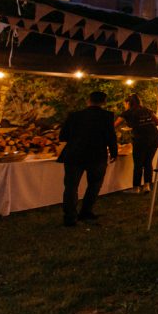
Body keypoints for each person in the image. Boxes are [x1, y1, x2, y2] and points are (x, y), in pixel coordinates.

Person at [58, 91, 118, 226]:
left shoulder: (74, 116)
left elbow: (63, 136)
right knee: (94, 184)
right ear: (104, 102)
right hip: (96, 155)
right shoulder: (107, 116)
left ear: (88, 100)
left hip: (74, 154)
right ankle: (86, 211)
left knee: (71, 187)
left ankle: (70, 217)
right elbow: (111, 136)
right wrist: (114, 152)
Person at [116, 94, 158, 194]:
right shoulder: (146, 109)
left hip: (141, 138)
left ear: (128, 103)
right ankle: (147, 186)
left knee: (138, 163)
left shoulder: (127, 112)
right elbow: (157, 122)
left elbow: (115, 125)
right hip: (154, 136)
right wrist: (140, 124)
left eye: (125, 104)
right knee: (148, 161)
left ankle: (136, 188)